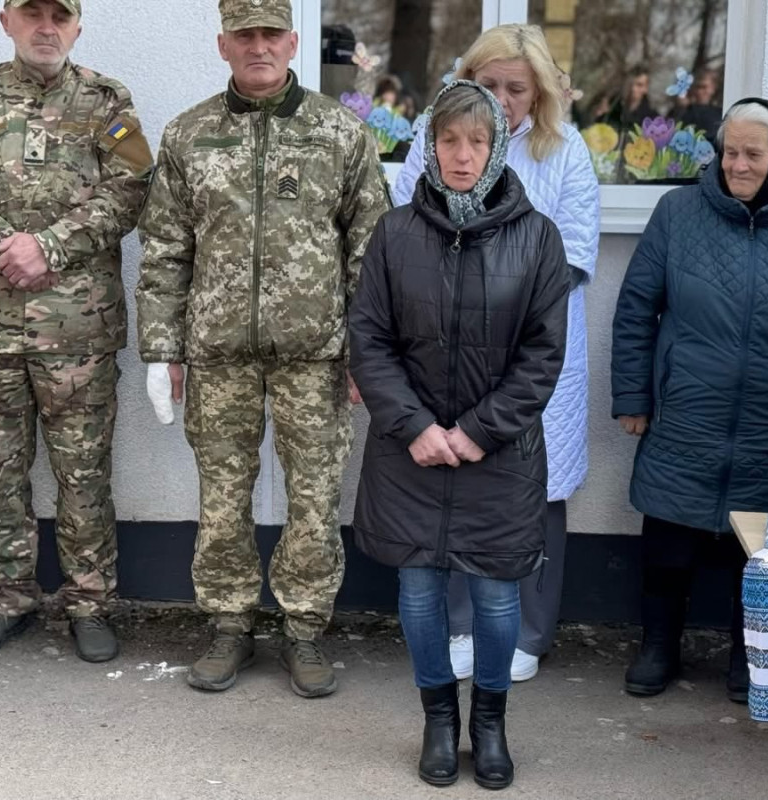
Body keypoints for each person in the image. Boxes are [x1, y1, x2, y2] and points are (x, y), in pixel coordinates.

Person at [136, 0, 390, 697]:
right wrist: (161, 349)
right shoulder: (189, 134)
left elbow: (371, 249)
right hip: (218, 354)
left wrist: (366, 351)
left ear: (292, 42)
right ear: (223, 45)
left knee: (314, 499)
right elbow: (165, 250)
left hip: (316, 354)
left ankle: (304, 630)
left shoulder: (339, 132)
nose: (258, 46)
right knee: (222, 499)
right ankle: (228, 625)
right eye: (243, 35)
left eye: (270, 34)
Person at [350, 81, 569, 789]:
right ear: (430, 145)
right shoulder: (394, 233)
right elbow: (369, 339)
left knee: (497, 597)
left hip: (497, 455)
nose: (462, 156)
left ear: (498, 147)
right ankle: (439, 719)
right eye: (449, 140)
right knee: (418, 592)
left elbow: (543, 354)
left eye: (477, 141)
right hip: (409, 452)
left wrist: (477, 431)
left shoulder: (537, 237)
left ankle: (490, 723)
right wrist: (414, 426)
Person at [0, 0, 152, 662]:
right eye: (32, 13)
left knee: (83, 470)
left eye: (60, 15)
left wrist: (49, 246)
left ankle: (89, 602)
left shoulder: (106, 100)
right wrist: (5, 244)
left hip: (78, 330)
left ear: (77, 26)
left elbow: (131, 186)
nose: (46, 27)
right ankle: (7, 599)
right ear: (7, 21)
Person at [611, 98, 768, 703]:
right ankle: (658, 645)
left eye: (753, 155)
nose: (737, 165)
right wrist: (633, 396)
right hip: (686, 409)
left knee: (760, 550)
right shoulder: (677, 212)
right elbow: (637, 308)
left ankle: (750, 653)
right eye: (729, 152)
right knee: (668, 542)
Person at [393, 23, 600, 684]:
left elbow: (573, 252)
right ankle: (460, 626)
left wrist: (498, 304)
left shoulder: (563, 149)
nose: (503, 100)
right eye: (490, 85)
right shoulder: (433, 142)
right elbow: (404, 232)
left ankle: (528, 633)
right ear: (466, 82)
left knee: (532, 485)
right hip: (444, 348)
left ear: (538, 92)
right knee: (455, 484)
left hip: (531, 350)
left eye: (517, 88)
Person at [673, 68, 722, 142]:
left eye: (705, 87)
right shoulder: (687, 113)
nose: (704, 91)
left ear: (714, 88)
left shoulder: (721, 112)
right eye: (699, 87)